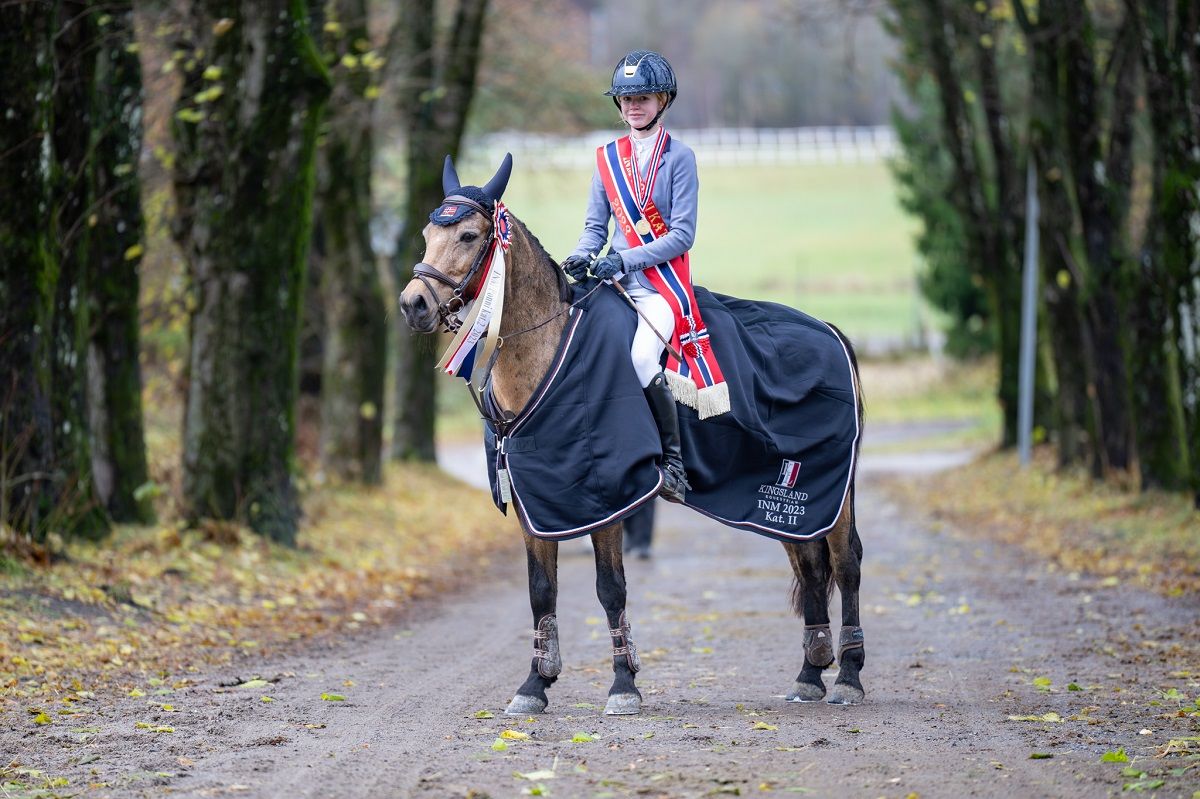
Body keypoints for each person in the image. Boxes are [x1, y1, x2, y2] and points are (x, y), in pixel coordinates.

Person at [562, 50, 730, 506]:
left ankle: (672, 465)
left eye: (643, 97)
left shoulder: (680, 158)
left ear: (662, 100)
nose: (633, 105)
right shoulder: (606, 159)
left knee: (639, 359)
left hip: (659, 286)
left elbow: (682, 235)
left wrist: (626, 260)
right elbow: (595, 229)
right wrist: (580, 257)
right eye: (626, 98)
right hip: (612, 282)